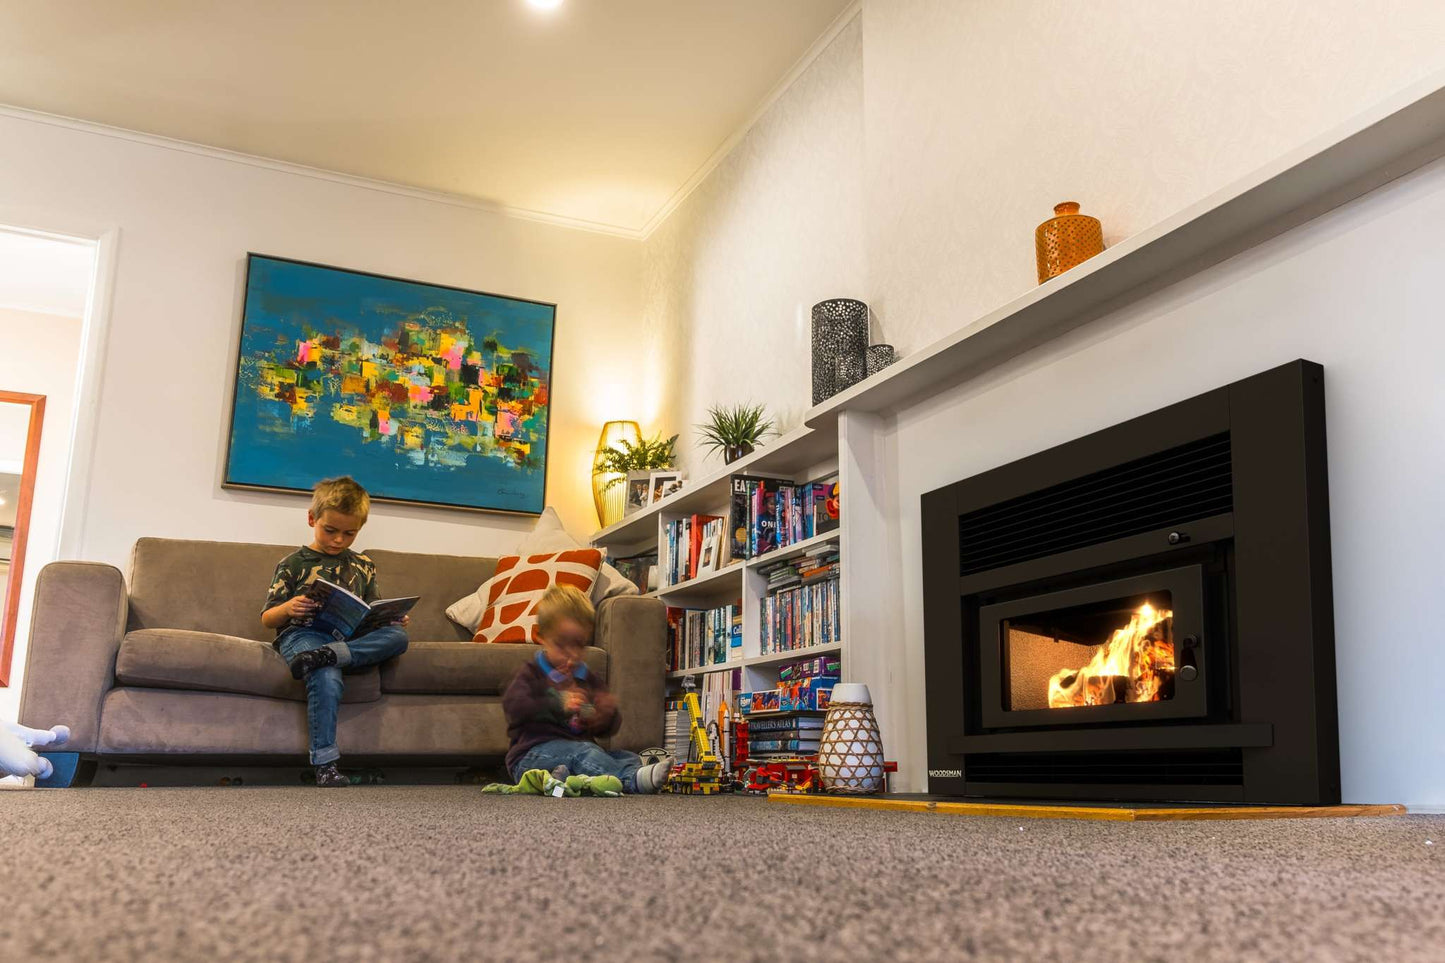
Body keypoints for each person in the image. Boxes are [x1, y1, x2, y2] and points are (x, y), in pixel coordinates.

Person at [261, 476, 409, 787]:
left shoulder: (364, 565)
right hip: (304, 635)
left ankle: (330, 656)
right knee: (326, 675)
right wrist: (289, 608)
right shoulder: (292, 563)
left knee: (399, 637)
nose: (339, 540)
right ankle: (326, 766)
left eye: (349, 533)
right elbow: (267, 618)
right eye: (330, 530)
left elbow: (371, 608)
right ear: (312, 519)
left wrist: (390, 618)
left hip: (349, 639)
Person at [501, 584, 670, 793]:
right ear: (540, 636)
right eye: (562, 645)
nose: (572, 655)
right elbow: (515, 707)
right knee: (585, 753)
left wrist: (604, 714)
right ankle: (631, 780)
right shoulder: (532, 672)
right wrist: (558, 703)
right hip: (530, 756)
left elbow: (605, 728)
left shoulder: (586, 677)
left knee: (626, 756)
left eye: (579, 645)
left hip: (576, 750)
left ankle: (561, 779)